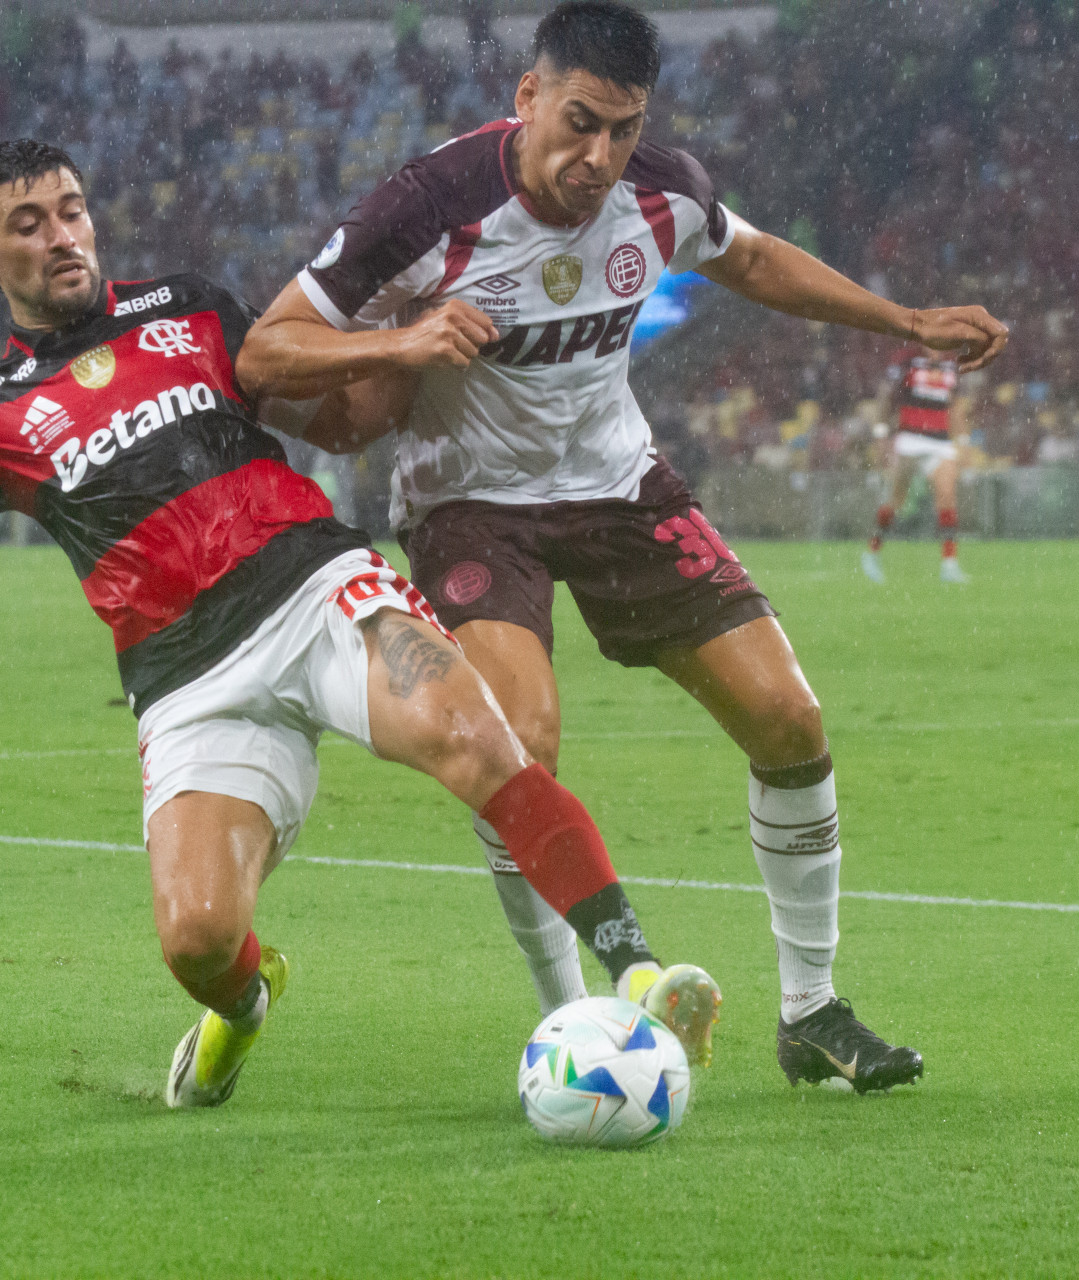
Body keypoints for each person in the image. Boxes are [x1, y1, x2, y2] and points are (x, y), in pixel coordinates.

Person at [0, 140, 720, 1111]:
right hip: (185, 674)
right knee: (198, 941)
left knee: (478, 739)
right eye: (28, 223)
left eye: (72, 210)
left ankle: (639, 975)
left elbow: (342, 419)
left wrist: (403, 343)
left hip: (315, 586)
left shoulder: (195, 308)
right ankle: (250, 999)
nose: (62, 234)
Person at [237, 2, 1007, 1093]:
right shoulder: (431, 202)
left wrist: (906, 321)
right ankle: (580, 1023)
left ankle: (812, 1011)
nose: (598, 158)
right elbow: (267, 350)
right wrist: (407, 336)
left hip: (623, 487)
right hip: (471, 508)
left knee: (790, 719)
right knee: (525, 740)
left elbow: (753, 260)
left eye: (624, 131)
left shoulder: (664, 193)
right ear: (528, 99)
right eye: (581, 122)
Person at [863, 347, 967, 584]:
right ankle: (873, 552)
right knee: (896, 500)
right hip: (910, 438)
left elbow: (955, 404)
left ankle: (949, 564)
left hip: (940, 441)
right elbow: (885, 395)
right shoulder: (907, 360)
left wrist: (963, 440)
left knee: (947, 498)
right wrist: (881, 435)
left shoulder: (951, 365)